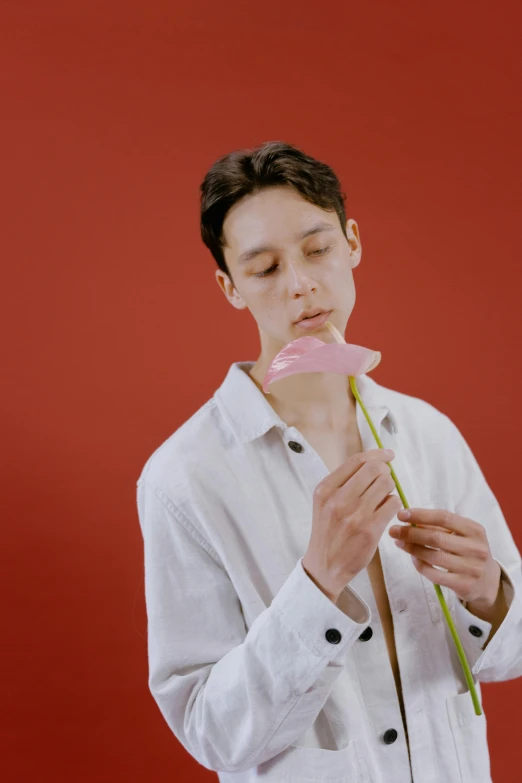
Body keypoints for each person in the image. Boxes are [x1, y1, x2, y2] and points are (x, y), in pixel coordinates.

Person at [136, 140, 522, 782]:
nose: (301, 284)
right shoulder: (185, 478)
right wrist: (317, 583)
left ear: (353, 242)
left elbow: (512, 648)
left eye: (317, 250)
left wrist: (491, 593)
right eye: (264, 269)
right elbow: (211, 733)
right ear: (230, 288)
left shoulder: (427, 433)